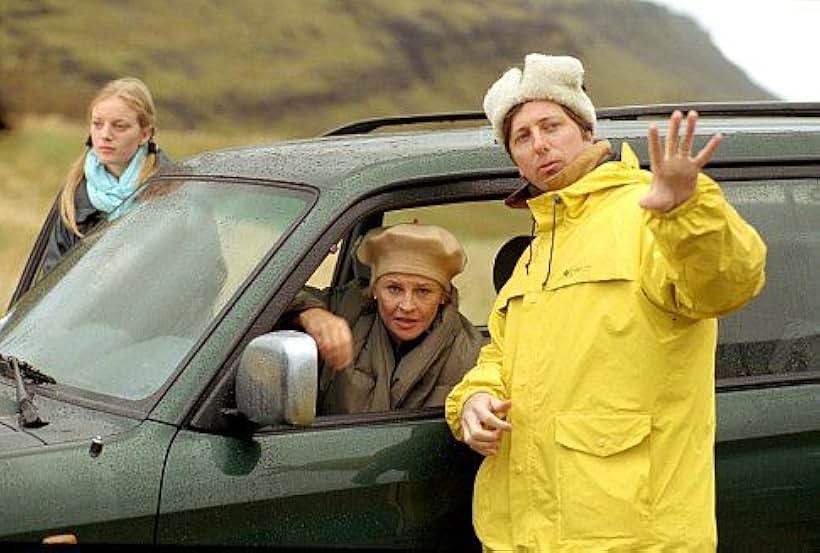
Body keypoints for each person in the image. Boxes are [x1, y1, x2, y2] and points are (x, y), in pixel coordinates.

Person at [445, 54, 767, 552]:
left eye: (551, 125)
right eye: (522, 137)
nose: (540, 145)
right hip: (523, 536)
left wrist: (688, 211)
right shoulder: (537, 252)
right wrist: (473, 401)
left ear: (586, 129)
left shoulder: (647, 212)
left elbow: (727, 284)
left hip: (632, 537)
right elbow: (501, 357)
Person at [287, 222, 483, 415]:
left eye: (423, 291)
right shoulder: (348, 308)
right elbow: (273, 294)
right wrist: (311, 313)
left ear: (443, 297)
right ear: (374, 290)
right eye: (394, 289)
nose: (407, 306)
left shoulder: (471, 353)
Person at [43, 77, 167, 274]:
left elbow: (209, 273)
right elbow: (51, 284)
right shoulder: (72, 196)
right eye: (97, 124)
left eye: (119, 126)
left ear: (145, 134)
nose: (105, 135)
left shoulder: (174, 189)